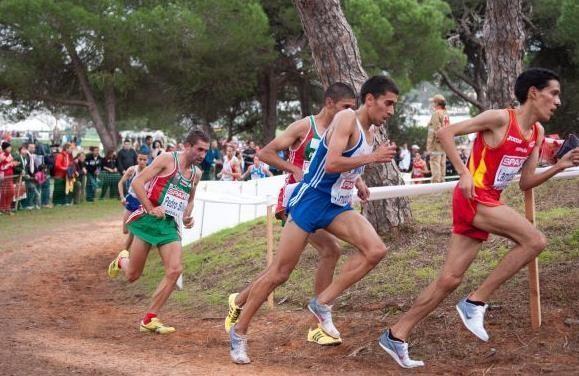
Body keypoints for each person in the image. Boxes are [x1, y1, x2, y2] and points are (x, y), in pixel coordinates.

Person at [378, 68, 579, 368]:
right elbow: (446, 133)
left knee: (449, 279)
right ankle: (475, 302)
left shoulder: (536, 133)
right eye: (554, 93)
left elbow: (525, 183)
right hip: (473, 198)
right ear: (533, 93)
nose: (558, 101)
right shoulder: (500, 118)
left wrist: (559, 165)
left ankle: (396, 334)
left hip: (488, 202)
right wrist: (463, 172)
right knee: (535, 240)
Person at [227, 76, 399, 364]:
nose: (392, 110)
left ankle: (322, 303)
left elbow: (345, 165)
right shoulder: (346, 118)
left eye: (394, 105)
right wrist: (371, 160)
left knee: (376, 250)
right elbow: (331, 163)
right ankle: (239, 332)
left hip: (336, 205)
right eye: (388, 103)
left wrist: (358, 182)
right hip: (310, 201)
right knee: (279, 273)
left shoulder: (370, 133)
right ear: (370, 99)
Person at [225, 82, 357, 346]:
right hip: (296, 199)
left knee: (287, 266)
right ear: (330, 103)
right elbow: (265, 153)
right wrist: (293, 169)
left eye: (353, 108)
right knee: (323, 252)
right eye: (346, 107)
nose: (350, 113)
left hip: (322, 200)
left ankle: (239, 300)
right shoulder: (304, 127)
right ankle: (319, 324)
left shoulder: (343, 131)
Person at [107, 129, 209, 334]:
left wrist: (188, 215)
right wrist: (151, 207)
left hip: (169, 225)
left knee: (175, 269)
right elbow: (137, 183)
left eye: (206, 151)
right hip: (148, 219)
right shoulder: (167, 160)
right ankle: (121, 261)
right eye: (199, 149)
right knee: (133, 275)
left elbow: (189, 200)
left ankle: (149, 318)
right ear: (186, 146)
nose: (203, 155)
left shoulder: (196, 174)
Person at [117, 151, 149, 253]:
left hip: (141, 203)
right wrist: (122, 197)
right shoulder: (132, 170)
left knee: (134, 229)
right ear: (137, 159)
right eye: (140, 159)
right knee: (125, 230)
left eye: (144, 160)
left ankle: (124, 252)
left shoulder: (150, 171)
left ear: (147, 160)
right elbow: (120, 183)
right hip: (131, 200)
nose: (142, 162)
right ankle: (131, 243)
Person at [426, 94, 451, 183]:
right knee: (442, 163)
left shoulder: (436, 113)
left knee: (435, 163)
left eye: (433, 102)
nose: (432, 104)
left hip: (436, 143)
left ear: (437, 103)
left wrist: (429, 147)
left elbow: (435, 130)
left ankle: (436, 184)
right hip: (444, 143)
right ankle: (442, 182)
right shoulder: (446, 113)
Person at [0, 141, 19, 214]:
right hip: (4, 176)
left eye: (10, 147)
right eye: (9, 147)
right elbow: (2, 166)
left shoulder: (10, 155)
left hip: (10, 175)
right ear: (5, 148)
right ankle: (3, 208)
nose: (10, 148)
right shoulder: (1, 155)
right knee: (5, 192)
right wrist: (10, 164)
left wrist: (13, 164)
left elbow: (9, 163)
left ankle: (7, 208)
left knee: (10, 192)